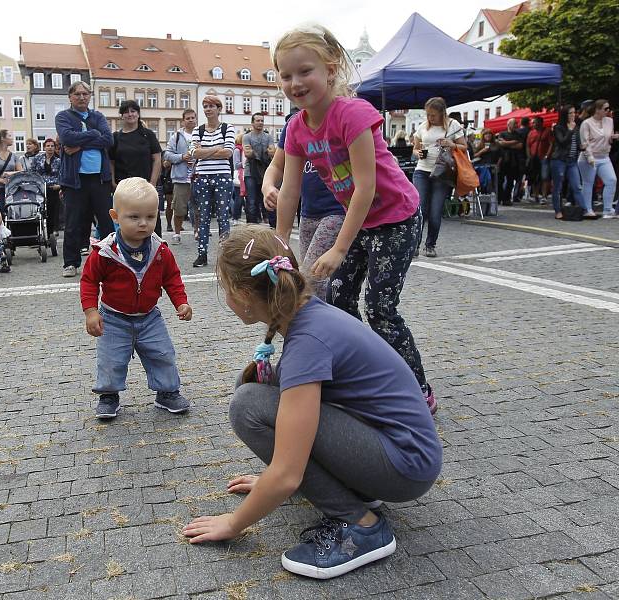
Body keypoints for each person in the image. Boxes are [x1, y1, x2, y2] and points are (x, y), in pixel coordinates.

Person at [182, 226, 443, 580]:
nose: (226, 298)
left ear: (244, 294)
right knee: (258, 385)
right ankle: (359, 490)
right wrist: (270, 480)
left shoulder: (308, 342)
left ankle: (362, 526)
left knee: (249, 404)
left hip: (404, 466)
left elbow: (288, 473)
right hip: (400, 453)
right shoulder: (309, 315)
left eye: (225, 289)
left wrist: (234, 522)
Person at [269, 24, 437, 414]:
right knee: (338, 300)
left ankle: (418, 389)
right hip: (362, 220)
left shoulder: (352, 114)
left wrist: (339, 248)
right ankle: (367, 375)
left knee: (380, 307)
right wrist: (279, 243)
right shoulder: (296, 127)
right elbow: (290, 190)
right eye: (286, 74)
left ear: (330, 70)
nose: (295, 82)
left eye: (304, 71)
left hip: (397, 217)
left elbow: (365, 188)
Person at [80, 177, 192, 419]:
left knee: (163, 354)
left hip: (149, 317)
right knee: (110, 359)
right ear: (115, 216)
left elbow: (172, 277)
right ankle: (108, 395)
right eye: (134, 217)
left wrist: (180, 301)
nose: (143, 223)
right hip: (113, 318)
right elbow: (89, 281)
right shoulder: (105, 252)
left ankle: (167, 392)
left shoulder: (159, 250)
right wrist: (91, 311)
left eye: (150, 217)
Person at [262, 113, 345, 299]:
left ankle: (318, 321)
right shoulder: (294, 125)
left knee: (312, 276)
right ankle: (328, 319)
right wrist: (267, 186)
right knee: (317, 276)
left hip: (337, 210)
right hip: (308, 213)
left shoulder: (339, 118)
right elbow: (276, 165)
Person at [55, 81, 114, 278]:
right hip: (75, 180)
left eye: (85, 94)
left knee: (106, 222)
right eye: (77, 94)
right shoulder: (63, 116)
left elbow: (108, 139)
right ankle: (70, 263)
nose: (82, 97)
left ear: (90, 96)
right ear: (70, 97)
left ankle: (108, 259)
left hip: (99, 179)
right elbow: (67, 138)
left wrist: (80, 145)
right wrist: (93, 134)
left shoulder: (97, 116)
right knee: (73, 222)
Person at [411, 97, 466, 258]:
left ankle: (430, 245)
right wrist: (418, 153)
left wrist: (451, 144)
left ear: (442, 113)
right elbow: (415, 149)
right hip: (422, 170)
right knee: (420, 210)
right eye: (428, 115)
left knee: (435, 212)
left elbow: (464, 147)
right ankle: (414, 245)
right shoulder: (422, 127)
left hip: (442, 173)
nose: (430, 118)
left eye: (433, 115)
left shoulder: (453, 125)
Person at [187, 95, 235, 267]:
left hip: (222, 176)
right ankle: (202, 254)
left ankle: (225, 257)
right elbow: (193, 153)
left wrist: (204, 151)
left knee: (223, 217)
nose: (208, 109)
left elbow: (228, 152)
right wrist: (216, 148)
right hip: (202, 177)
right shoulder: (197, 130)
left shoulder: (227, 128)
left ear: (219, 109)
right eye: (205, 106)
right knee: (203, 216)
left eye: (211, 106)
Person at [110, 100, 162, 232]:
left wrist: (152, 183)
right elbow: (111, 162)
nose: (130, 114)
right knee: (128, 222)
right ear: (121, 115)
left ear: (138, 114)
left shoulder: (148, 135)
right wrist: (113, 182)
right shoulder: (115, 137)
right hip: (124, 187)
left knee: (150, 222)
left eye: (133, 111)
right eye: (126, 112)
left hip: (146, 186)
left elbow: (157, 159)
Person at [579, 99, 618, 218]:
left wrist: (614, 137)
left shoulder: (609, 121)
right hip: (588, 158)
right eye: (606, 109)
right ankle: (587, 209)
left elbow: (608, 138)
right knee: (588, 183)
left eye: (609, 108)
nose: (608, 111)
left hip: (604, 156)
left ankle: (608, 210)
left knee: (612, 180)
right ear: (597, 110)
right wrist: (590, 157)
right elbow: (585, 142)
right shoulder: (586, 123)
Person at [163, 108, 197, 244]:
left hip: (198, 176)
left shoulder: (201, 134)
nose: (190, 120)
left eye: (193, 117)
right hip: (181, 177)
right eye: (187, 118)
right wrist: (182, 157)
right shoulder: (176, 136)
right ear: (183, 120)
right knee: (179, 208)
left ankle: (197, 231)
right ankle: (177, 233)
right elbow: (167, 155)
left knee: (198, 207)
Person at [550, 106, 587, 220]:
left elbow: (576, 143)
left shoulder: (576, 126)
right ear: (564, 115)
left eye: (574, 112)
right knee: (558, 187)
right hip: (559, 160)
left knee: (577, 186)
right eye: (570, 113)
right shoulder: (558, 127)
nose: (573, 115)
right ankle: (558, 211)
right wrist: (570, 130)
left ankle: (583, 210)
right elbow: (562, 142)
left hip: (572, 161)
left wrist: (582, 147)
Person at [243, 113, 277, 227]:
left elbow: (273, 152)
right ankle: (251, 228)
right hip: (251, 172)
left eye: (262, 120)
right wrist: (266, 151)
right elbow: (248, 153)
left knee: (268, 197)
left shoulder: (268, 136)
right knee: (252, 201)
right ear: (252, 123)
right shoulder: (247, 137)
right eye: (257, 120)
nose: (260, 123)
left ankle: (273, 228)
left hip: (265, 171)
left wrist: (256, 152)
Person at [31, 138, 62, 238]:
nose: (50, 148)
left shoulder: (58, 161)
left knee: (53, 211)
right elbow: (33, 173)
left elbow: (62, 175)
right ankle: (38, 232)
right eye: (48, 146)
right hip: (40, 189)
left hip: (53, 188)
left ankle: (51, 232)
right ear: (44, 147)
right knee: (41, 210)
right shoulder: (37, 158)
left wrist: (60, 185)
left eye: (52, 146)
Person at [496, 118, 524, 207]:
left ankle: (506, 199)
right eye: (514, 123)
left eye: (516, 123)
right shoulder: (502, 133)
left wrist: (506, 143)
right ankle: (499, 197)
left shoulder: (518, 134)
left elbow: (520, 146)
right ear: (509, 124)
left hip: (513, 161)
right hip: (503, 159)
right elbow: (500, 143)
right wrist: (513, 143)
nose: (516, 125)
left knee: (510, 181)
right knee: (500, 180)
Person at [526, 117, 552, 203]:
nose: (533, 124)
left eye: (534, 122)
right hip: (534, 157)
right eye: (532, 123)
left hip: (543, 157)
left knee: (544, 177)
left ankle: (544, 196)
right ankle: (535, 195)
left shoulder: (547, 131)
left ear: (540, 123)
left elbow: (551, 144)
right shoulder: (531, 133)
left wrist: (547, 155)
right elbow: (527, 145)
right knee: (534, 177)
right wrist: (529, 156)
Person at [231, 133, 245, 225]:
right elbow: (236, 165)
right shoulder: (237, 150)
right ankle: (235, 217)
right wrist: (244, 162)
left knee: (242, 198)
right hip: (239, 176)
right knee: (238, 198)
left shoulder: (243, 150)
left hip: (245, 175)